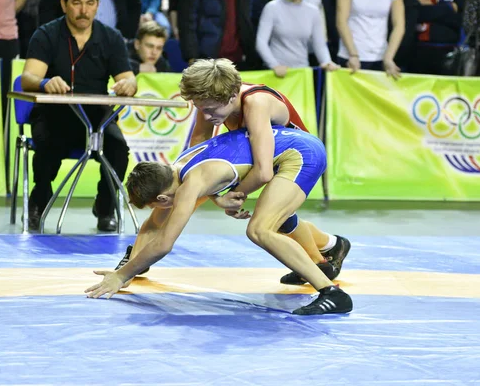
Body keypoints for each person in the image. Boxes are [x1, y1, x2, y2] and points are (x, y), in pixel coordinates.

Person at [85, 126, 354, 316]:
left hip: (300, 155)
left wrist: (122, 276)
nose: (159, 209)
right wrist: (132, 266)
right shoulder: (177, 169)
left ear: (163, 197)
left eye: (156, 204)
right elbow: (153, 225)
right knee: (279, 220)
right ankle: (332, 246)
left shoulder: (191, 185)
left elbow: (164, 241)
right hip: (287, 147)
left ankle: (332, 294)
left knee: (260, 229)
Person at [183, 58, 351, 285]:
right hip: (270, 156)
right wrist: (212, 192)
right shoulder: (212, 101)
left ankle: (319, 269)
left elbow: (263, 172)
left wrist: (230, 196)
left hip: (297, 159)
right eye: (200, 108)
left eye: (209, 109)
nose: (205, 116)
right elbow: (197, 150)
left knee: (264, 225)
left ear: (231, 96)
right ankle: (331, 246)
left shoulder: (255, 103)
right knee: (278, 217)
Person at [21, 0, 137, 231]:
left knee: (118, 150)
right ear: (64, 4)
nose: (83, 10)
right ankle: (38, 206)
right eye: (76, 3)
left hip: (97, 117)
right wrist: (44, 82)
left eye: (89, 3)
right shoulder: (46, 34)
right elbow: (28, 78)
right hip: (55, 113)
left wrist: (128, 83)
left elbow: (129, 78)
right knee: (45, 147)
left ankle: (104, 209)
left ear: (97, 4)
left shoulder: (111, 37)